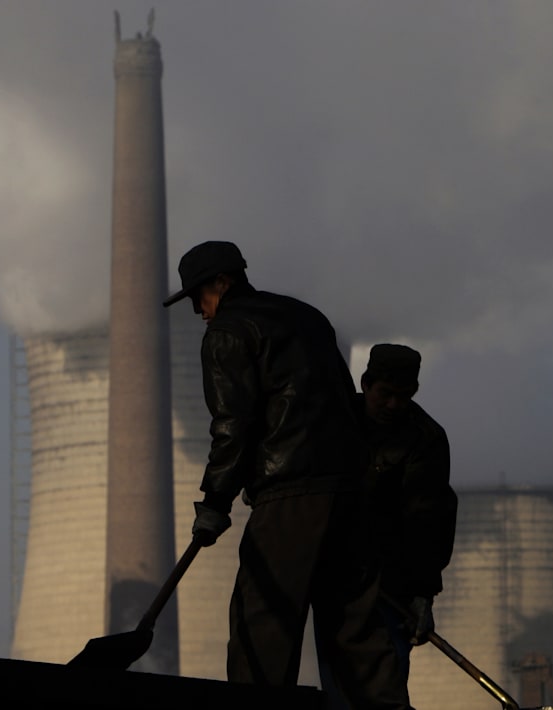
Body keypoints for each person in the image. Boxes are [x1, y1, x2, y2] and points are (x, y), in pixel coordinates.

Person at [163, 241, 396, 707]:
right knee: (357, 631)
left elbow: (233, 425)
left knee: (263, 625)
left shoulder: (228, 332)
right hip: (350, 494)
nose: (197, 312)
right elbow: (346, 403)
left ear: (222, 283)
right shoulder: (308, 317)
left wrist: (214, 502)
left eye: (198, 298)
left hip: (290, 497)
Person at [319, 343, 457, 710]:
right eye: (386, 394)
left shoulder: (426, 438)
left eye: (404, 396)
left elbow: (430, 519)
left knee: (384, 687)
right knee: (339, 686)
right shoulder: (334, 419)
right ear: (365, 384)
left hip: (391, 586)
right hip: (335, 576)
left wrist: (423, 594)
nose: (394, 405)